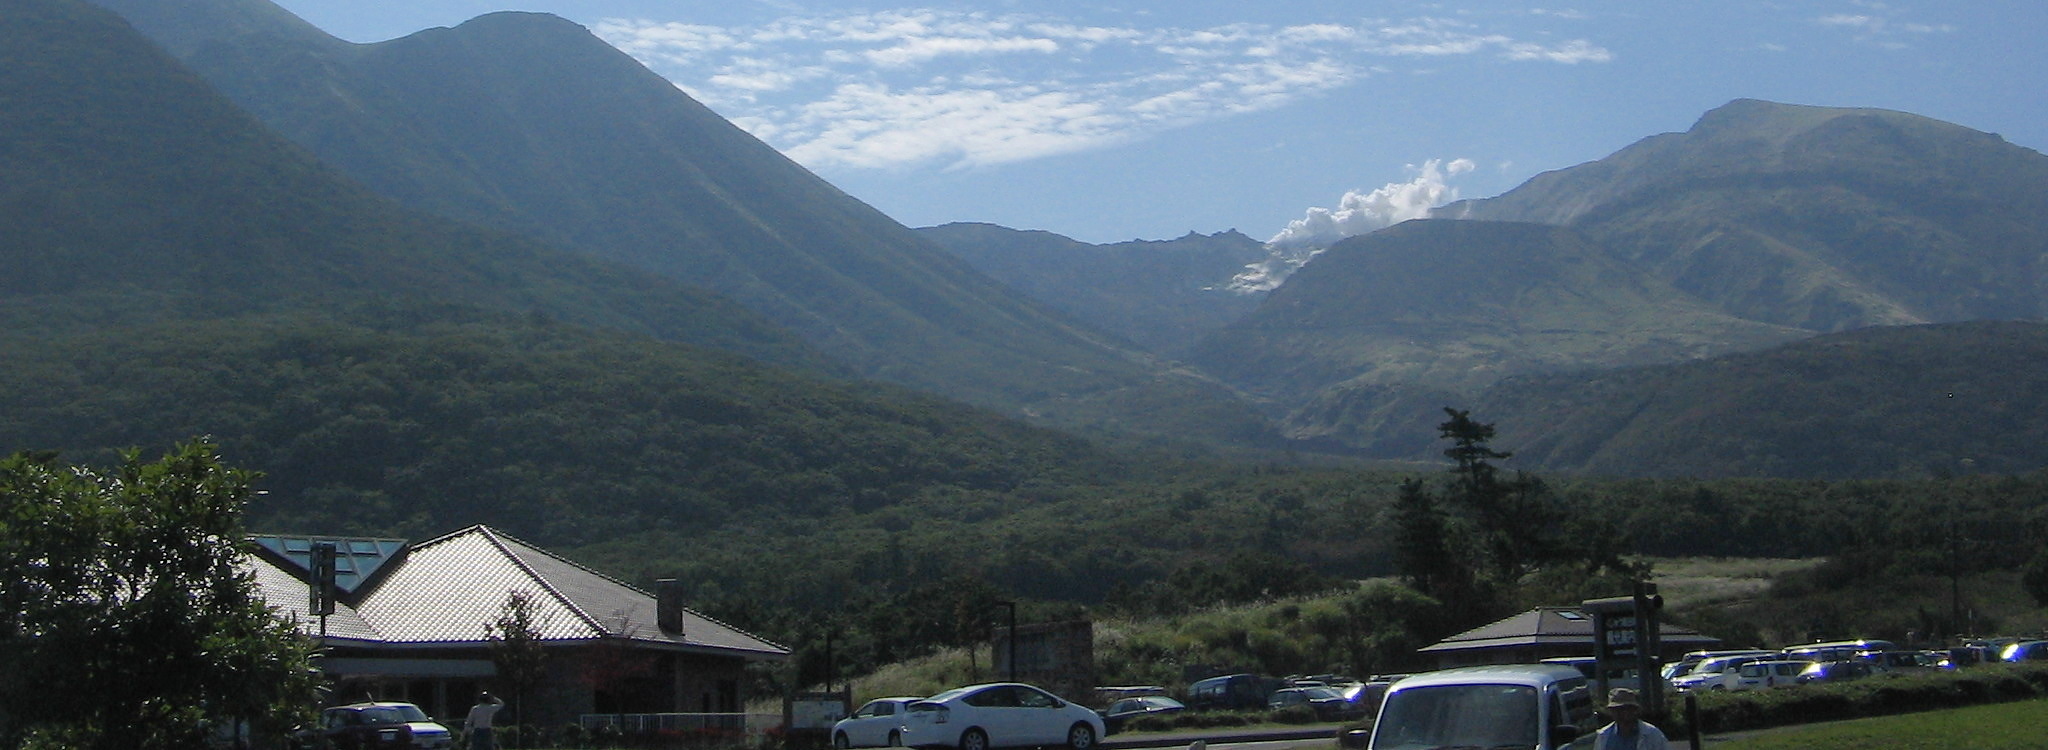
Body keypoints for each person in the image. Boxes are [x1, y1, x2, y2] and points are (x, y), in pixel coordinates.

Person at [1592, 688, 1668, 750]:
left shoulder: (1653, 735)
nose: (1621, 713)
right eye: (1616, 709)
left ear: (1634, 710)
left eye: (1625, 708)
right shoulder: (1603, 736)